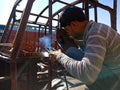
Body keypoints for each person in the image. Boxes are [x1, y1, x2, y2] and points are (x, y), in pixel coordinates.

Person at [49, 6, 120, 90]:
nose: (68, 34)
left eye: (67, 30)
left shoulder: (96, 34)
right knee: (73, 51)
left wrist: (59, 56)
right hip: (114, 74)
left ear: (74, 24)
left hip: (116, 82)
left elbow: (87, 75)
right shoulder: (96, 29)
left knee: (71, 52)